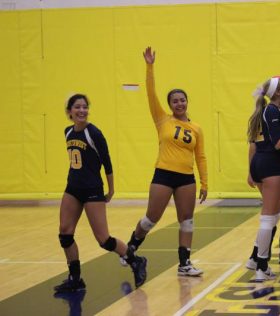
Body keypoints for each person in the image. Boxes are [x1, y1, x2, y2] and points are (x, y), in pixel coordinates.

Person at [124, 47, 208, 277]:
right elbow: (150, 93)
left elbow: (200, 156)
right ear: (170, 105)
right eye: (175, 101)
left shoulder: (197, 128)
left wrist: (205, 183)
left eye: (182, 100)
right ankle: (130, 249)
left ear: (187, 102)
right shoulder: (162, 119)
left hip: (186, 178)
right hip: (163, 174)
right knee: (151, 218)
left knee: (187, 221)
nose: (179, 104)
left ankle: (185, 264)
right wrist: (149, 66)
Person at [54, 94, 147, 293]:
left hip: (92, 190)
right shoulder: (68, 132)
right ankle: (75, 278)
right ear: (69, 112)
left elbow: (107, 162)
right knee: (65, 233)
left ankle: (135, 260)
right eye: (77, 107)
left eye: (85, 107)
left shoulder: (94, 133)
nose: (82, 110)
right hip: (73, 188)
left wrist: (111, 189)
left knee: (103, 239)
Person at [246, 76, 280, 281]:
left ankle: (258, 260)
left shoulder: (274, 110)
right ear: (277, 92)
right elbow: (277, 143)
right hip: (271, 162)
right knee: (269, 217)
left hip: (265, 162)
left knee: (274, 214)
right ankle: (261, 266)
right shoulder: (271, 111)